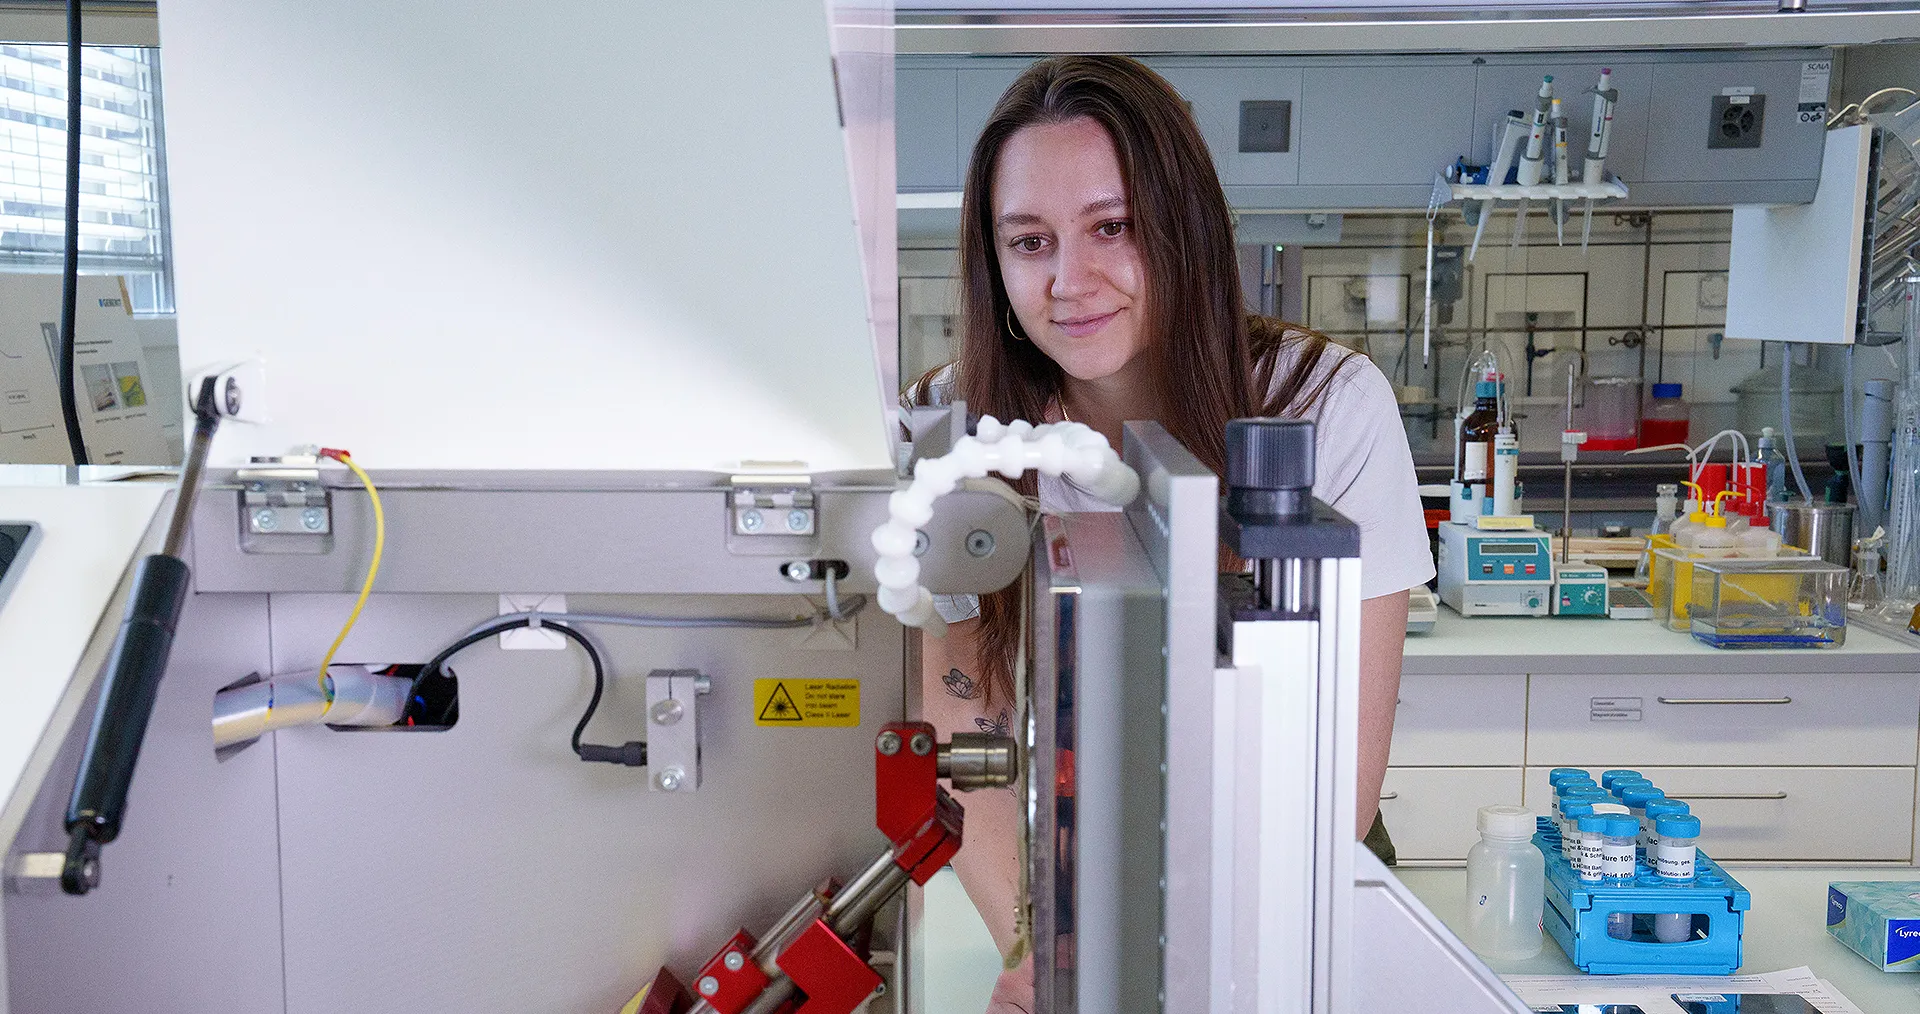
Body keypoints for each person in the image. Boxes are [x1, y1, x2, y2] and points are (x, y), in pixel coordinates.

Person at [905, 55, 1433, 1010]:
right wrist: (1038, 947)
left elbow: (1339, 781)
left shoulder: (1326, 405)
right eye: (1029, 241)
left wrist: (1198, 962)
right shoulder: (957, 427)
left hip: (1294, 875)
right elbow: (963, 709)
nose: (1071, 279)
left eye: (1114, 227)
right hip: (1055, 867)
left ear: (1183, 229)